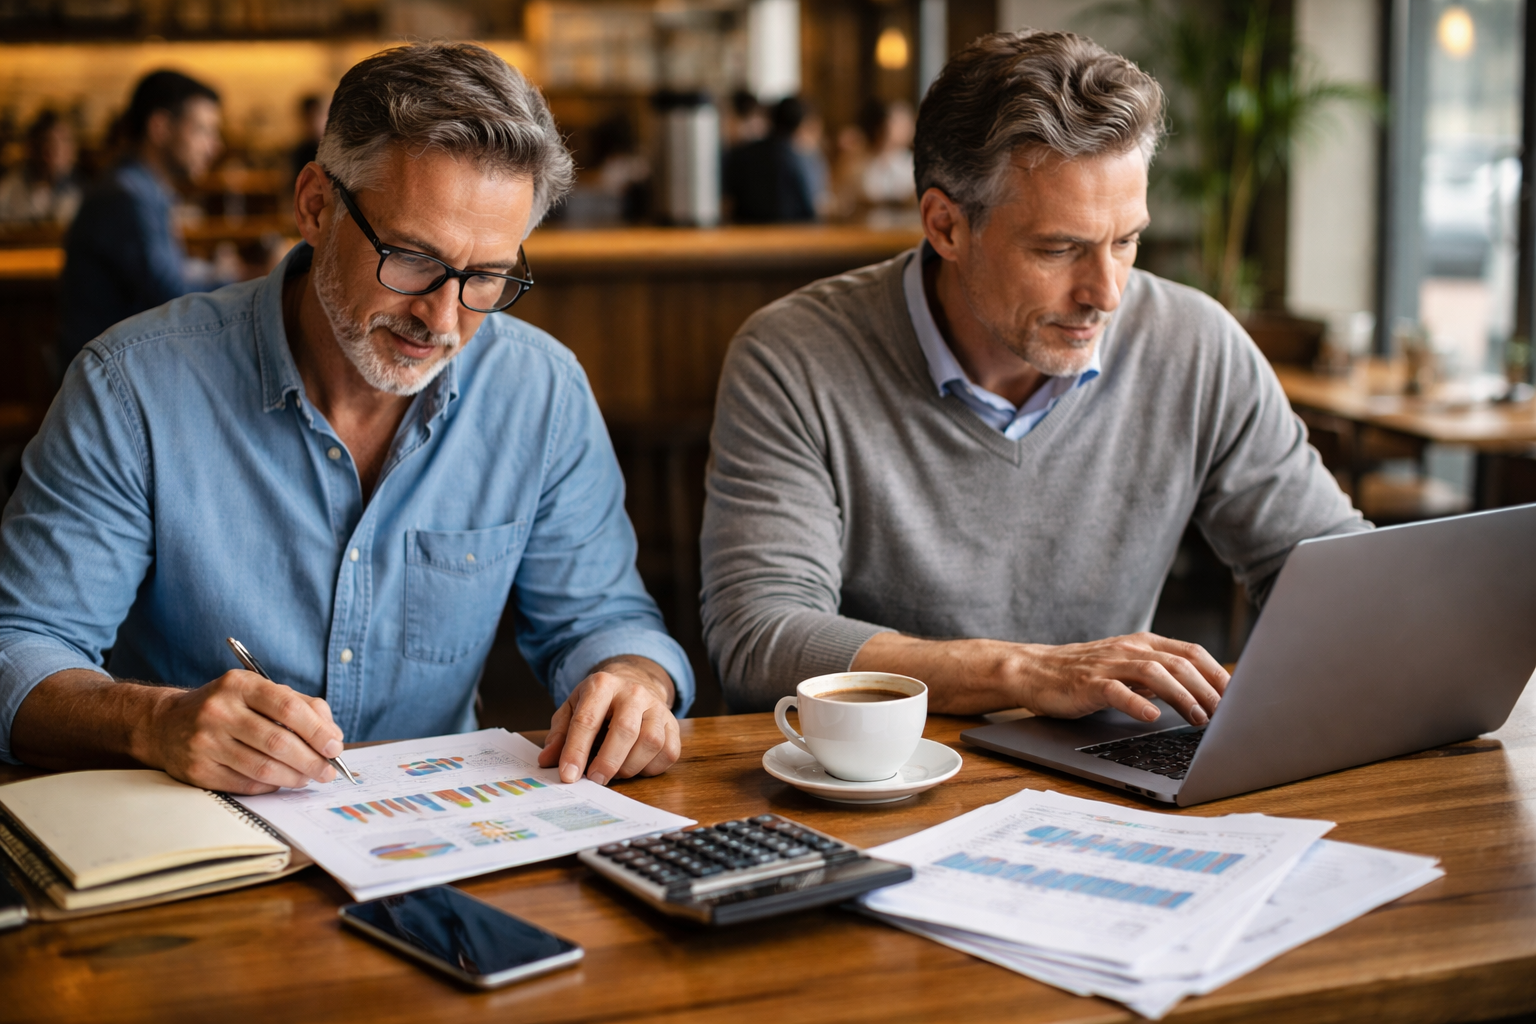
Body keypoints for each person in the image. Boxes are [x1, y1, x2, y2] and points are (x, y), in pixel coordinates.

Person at [0, 43, 691, 796]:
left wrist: (632, 680)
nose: (444, 318)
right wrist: (153, 722)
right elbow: (20, 648)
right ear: (315, 206)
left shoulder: (541, 391)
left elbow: (602, 619)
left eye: (486, 276)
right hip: (200, 837)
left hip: (440, 834)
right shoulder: (132, 387)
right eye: (412, 258)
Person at [700, 31, 1367, 726]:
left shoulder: (1196, 346)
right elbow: (759, 641)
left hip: (1108, 783)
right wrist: (1026, 672)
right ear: (945, 226)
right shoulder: (793, 357)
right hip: (890, 782)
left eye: (1126, 240)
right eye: (1060, 248)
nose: (1107, 293)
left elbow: (1332, 577)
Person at [56, 70, 225, 373]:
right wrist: (256, 278)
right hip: (106, 377)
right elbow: (171, 293)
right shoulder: (125, 196)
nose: (214, 146)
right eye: (203, 130)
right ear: (159, 127)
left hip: (125, 361)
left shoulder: (141, 188)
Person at [722, 96, 816, 224]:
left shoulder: (742, 153)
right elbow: (809, 208)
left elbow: (727, 197)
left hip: (744, 232)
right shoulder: (798, 159)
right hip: (789, 235)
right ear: (801, 125)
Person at [0, 110, 82, 227]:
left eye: (65, 140)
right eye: (48, 141)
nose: (57, 150)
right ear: (32, 148)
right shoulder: (8, 190)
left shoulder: (79, 191)